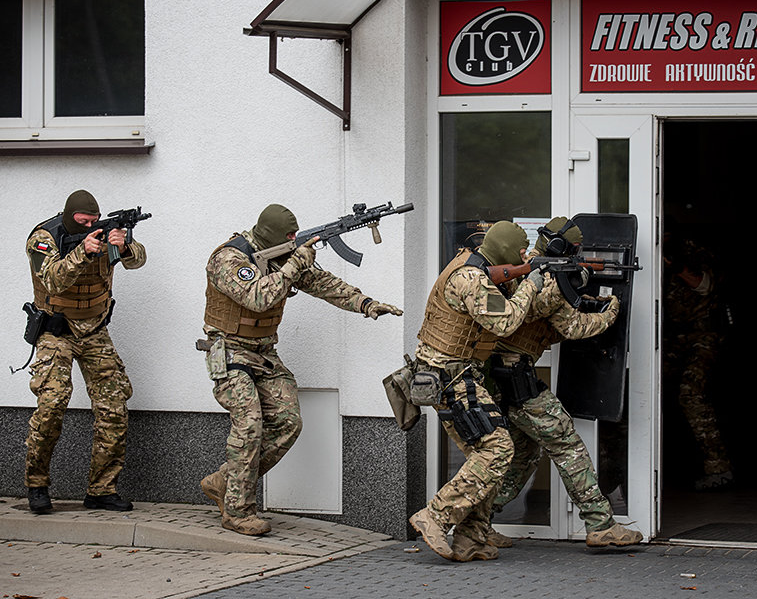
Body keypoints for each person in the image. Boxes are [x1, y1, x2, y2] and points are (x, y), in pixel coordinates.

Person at [198, 204, 402, 536]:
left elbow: (322, 283)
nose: (293, 241)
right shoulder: (229, 258)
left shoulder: (282, 257)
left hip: (264, 353)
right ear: (272, 236)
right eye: (289, 237)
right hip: (230, 350)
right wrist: (295, 262)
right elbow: (258, 298)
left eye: (296, 236)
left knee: (288, 422)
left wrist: (365, 303)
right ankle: (238, 512)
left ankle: (223, 483)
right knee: (249, 425)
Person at [485, 217, 643, 548]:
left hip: (499, 375)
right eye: (574, 249)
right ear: (561, 247)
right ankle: (600, 523)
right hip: (516, 377)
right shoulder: (545, 278)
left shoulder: (521, 268)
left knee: (523, 456)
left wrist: (576, 276)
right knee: (567, 444)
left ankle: (475, 522)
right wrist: (610, 312)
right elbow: (573, 327)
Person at [410, 221, 544, 562]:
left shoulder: (478, 266)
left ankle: (471, 537)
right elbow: (505, 322)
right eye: (520, 252)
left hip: (460, 376)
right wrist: (531, 284)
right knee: (497, 449)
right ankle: (435, 516)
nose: (523, 258)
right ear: (504, 251)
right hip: (449, 378)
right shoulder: (470, 278)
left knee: (489, 456)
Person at [25, 189, 147, 514]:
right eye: (83, 222)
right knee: (51, 405)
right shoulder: (43, 238)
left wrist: (125, 245)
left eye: (94, 222)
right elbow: (52, 281)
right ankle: (37, 484)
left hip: (94, 330)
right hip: (56, 331)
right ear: (69, 218)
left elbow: (138, 260)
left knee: (114, 406)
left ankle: (101, 490)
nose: (90, 227)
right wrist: (82, 251)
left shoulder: (105, 235)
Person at [663, 225, 733, 490]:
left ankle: (719, 469)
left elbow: (704, 284)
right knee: (640, 389)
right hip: (669, 339)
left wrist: (676, 266)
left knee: (690, 393)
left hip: (703, 336)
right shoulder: (650, 253)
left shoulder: (694, 252)